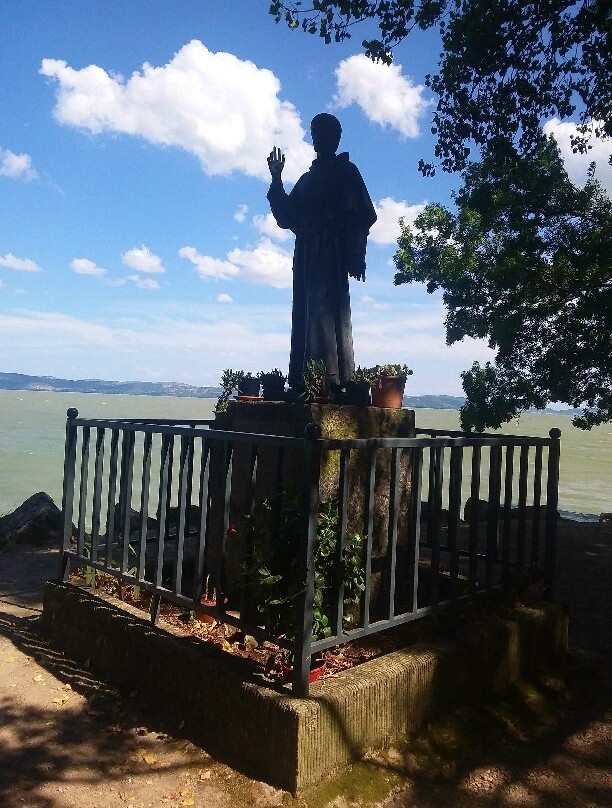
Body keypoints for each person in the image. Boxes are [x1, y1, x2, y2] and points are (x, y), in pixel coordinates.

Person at [267, 113, 377, 393]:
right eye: (315, 132)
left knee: (325, 311)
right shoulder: (307, 180)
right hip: (306, 253)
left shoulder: (346, 171)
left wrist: (357, 254)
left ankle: (332, 379)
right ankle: (306, 379)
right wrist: (277, 179)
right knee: (305, 312)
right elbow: (287, 215)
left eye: (323, 133)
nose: (318, 138)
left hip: (331, 251)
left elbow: (362, 215)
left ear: (334, 138)